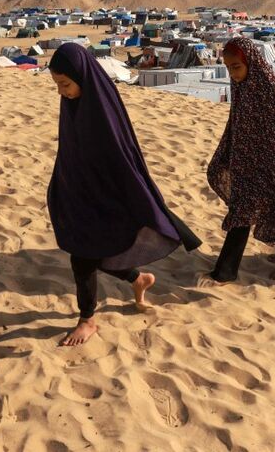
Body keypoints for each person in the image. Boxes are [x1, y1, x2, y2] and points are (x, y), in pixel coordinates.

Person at [47, 43, 201, 346]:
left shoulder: (101, 107)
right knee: (98, 255)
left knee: (84, 258)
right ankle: (138, 280)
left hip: (105, 196)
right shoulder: (74, 103)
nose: (61, 92)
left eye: (64, 84)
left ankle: (87, 320)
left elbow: (119, 155)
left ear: (81, 76)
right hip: (80, 193)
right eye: (57, 85)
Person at [206, 37, 275, 283]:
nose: (232, 73)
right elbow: (237, 123)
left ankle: (225, 272)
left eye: (236, 66)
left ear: (251, 62)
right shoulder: (242, 86)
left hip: (270, 167)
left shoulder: (269, 89)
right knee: (256, 213)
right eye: (228, 68)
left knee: (250, 213)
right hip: (246, 164)